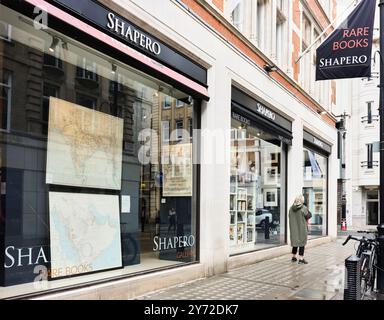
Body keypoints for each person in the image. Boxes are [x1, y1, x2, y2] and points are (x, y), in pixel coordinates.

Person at [289, 195, 312, 265]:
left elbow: (289, 216)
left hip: (293, 229)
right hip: (302, 228)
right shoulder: (303, 208)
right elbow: (309, 215)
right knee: (302, 243)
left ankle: (293, 257)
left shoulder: (291, 208)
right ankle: (301, 259)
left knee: (295, 242)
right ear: (302, 201)